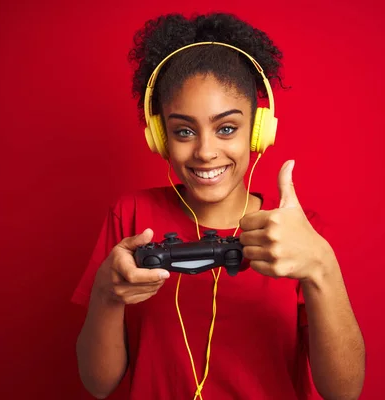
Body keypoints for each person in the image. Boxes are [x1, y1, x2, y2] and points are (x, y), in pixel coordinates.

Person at [71, 12, 365, 400]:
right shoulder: (130, 217)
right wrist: (106, 294)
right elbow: (98, 383)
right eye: (184, 131)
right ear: (159, 137)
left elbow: (345, 393)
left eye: (226, 128)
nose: (206, 152)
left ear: (258, 131)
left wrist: (321, 267)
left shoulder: (299, 232)